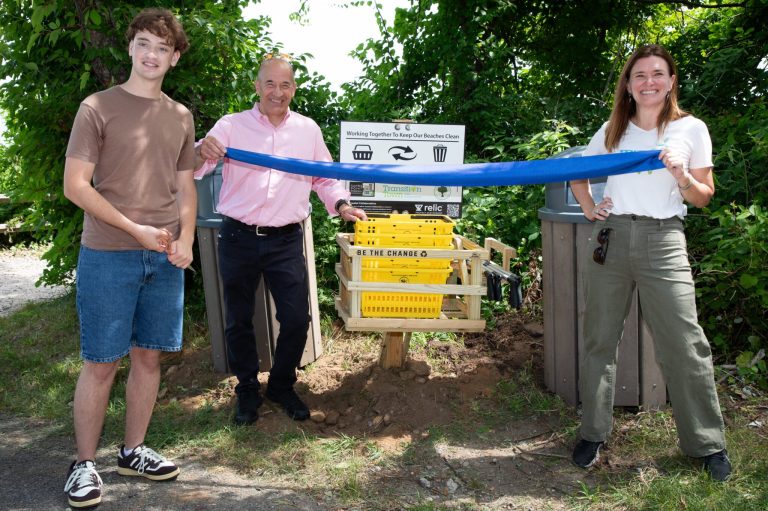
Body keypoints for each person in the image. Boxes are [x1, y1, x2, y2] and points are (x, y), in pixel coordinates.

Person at [569, 44, 731, 481]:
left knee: (685, 342)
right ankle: (593, 433)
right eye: (639, 75)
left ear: (671, 80)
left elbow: (704, 196)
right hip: (612, 237)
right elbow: (578, 174)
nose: (649, 82)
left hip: (664, 240)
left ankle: (706, 444)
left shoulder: (690, 129)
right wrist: (588, 208)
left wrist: (682, 175)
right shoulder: (613, 129)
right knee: (600, 339)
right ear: (628, 84)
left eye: (657, 74)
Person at [62, 8, 195, 508]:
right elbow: (76, 186)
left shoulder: (180, 117)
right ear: (130, 48)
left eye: (162, 48)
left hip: (163, 258)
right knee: (101, 362)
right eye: (143, 43)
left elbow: (185, 187)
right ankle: (83, 464)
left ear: (174, 57)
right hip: (108, 253)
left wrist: (183, 238)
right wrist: (134, 229)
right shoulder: (96, 107)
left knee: (149, 357)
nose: (151, 54)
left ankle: (133, 450)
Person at [195, 54, 367, 426]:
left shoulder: (308, 130)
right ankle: (246, 390)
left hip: (286, 240)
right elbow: (197, 165)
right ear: (257, 87)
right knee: (238, 319)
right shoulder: (231, 126)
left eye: (285, 84)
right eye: (269, 83)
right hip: (238, 236)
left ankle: (281, 385)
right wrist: (200, 149)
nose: (277, 91)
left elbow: (323, 177)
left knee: (296, 318)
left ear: (294, 89)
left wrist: (341, 204)